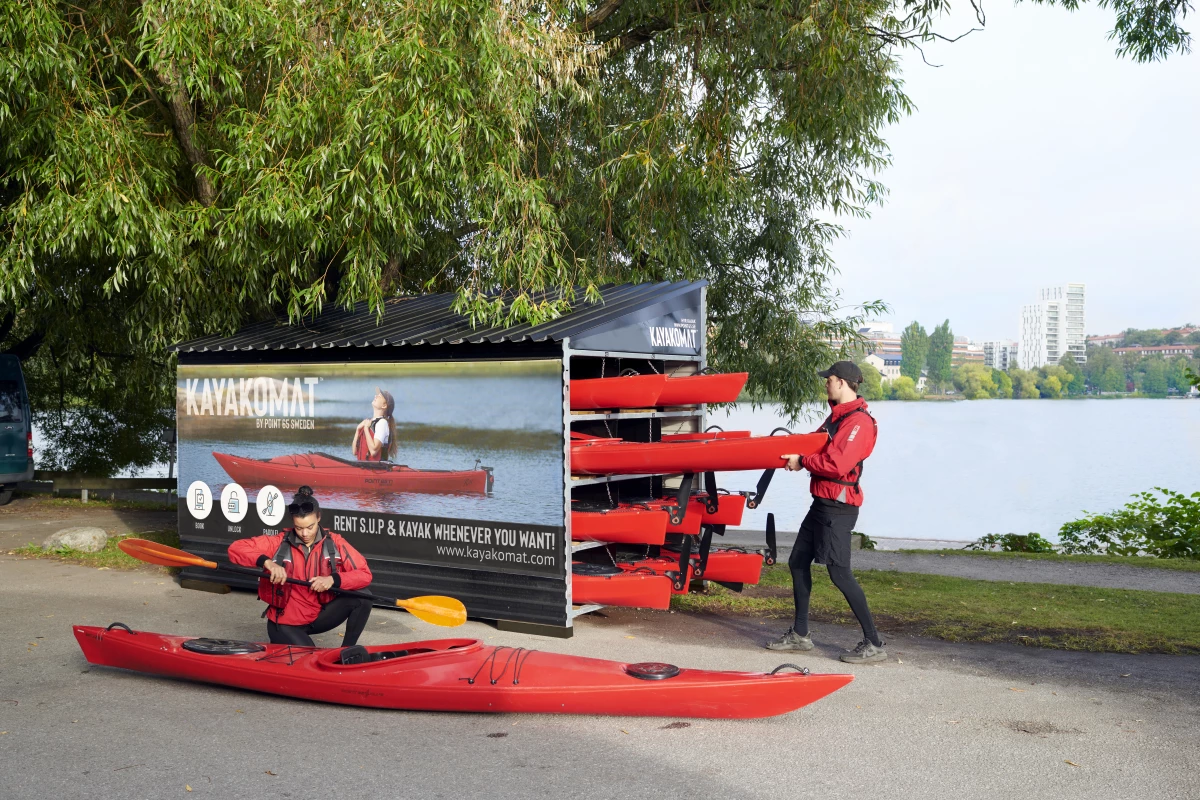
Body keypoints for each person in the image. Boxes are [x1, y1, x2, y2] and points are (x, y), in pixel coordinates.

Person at [767, 360, 886, 664]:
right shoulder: (838, 417)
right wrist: (790, 451)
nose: (826, 384)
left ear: (843, 383)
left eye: (830, 379)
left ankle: (874, 643)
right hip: (822, 503)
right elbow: (817, 447)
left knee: (840, 574)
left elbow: (836, 464)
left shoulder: (858, 423)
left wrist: (803, 461)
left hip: (839, 508)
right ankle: (801, 635)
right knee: (797, 562)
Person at [228, 486, 374, 647]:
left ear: (318, 517)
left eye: (309, 527)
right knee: (309, 660)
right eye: (299, 528)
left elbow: (364, 574)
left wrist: (333, 579)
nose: (305, 534)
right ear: (293, 523)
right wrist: (268, 563)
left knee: (363, 597)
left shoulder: (335, 542)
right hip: (285, 623)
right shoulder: (278, 542)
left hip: (319, 616)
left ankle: (347, 651)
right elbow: (235, 548)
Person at [352, 388, 397, 462]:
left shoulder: (382, 423)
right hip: (363, 466)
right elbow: (354, 452)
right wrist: (357, 430)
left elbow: (373, 451)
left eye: (379, 396)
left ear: (384, 406)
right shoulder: (370, 422)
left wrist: (366, 428)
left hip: (376, 469)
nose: (375, 396)